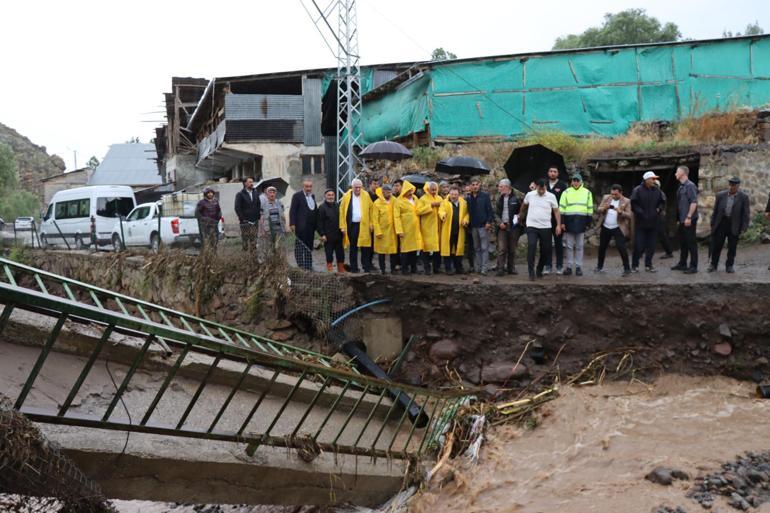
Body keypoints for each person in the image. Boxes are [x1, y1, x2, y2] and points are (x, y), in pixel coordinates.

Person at [519, 179, 562, 281]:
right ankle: (531, 272)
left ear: (545, 187)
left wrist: (558, 225)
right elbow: (524, 206)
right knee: (532, 245)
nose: (541, 191)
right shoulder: (530, 195)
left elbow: (556, 211)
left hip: (546, 226)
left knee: (546, 250)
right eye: (539, 189)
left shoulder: (551, 196)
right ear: (536, 186)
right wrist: (520, 216)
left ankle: (539, 269)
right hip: (532, 225)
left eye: (543, 189)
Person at [708, 177, 750, 273]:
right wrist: (713, 223)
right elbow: (715, 211)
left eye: (734, 186)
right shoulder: (720, 195)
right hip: (721, 223)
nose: (732, 187)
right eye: (730, 185)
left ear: (738, 186)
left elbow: (746, 213)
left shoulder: (743, 197)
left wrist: (744, 227)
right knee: (717, 245)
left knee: (732, 247)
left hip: (734, 224)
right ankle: (713, 265)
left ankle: (729, 266)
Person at [559, 174, 594, 276]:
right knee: (569, 246)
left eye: (577, 180)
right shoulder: (566, 192)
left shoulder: (587, 193)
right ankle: (569, 267)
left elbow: (590, 209)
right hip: (569, 221)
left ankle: (578, 267)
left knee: (579, 246)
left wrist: (588, 222)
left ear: (581, 181)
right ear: (571, 182)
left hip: (581, 221)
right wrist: (562, 222)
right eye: (574, 180)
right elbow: (562, 208)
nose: (575, 182)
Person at [630, 171, 665, 272]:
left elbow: (662, 202)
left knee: (652, 246)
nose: (655, 181)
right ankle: (634, 265)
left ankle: (648, 265)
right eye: (653, 179)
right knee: (639, 246)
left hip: (654, 223)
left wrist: (659, 208)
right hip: (641, 223)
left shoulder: (657, 190)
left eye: (655, 179)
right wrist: (641, 212)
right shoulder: (637, 190)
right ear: (647, 180)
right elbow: (633, 204)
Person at [595, 184, 633, 276]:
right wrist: (604, 208)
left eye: (615, 194)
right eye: (612, 194)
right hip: (606, 226)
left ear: (621, 193)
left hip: (618, 227)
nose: (613, 196)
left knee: (621, 247)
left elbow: (629, 215)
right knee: (602, 247)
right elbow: (598, 209)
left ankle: (627, 268)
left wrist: (621, 212)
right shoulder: (606, 197)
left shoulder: (627, 201)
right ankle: (599, 267)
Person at [339, 178, 374, 273]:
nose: (358, 189)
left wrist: (371, 223)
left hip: (364, 225)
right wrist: (342, 226)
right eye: (356, 187)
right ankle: (354, 268)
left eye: (359, 187)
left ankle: (366, 267)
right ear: (352, 187)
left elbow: (372, 209)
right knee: (353, 247)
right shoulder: (346, 196)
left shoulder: (366, 195)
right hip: (352, 226)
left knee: (365, 248)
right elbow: (342, 212)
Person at [671, 165, 699, 274]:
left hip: (689, 219)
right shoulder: (681, 187)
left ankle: (693, 266)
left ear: (683, 173)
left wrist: (689, 217)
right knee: (683, 242)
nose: (675, 174)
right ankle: (682, 264)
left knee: (691, 242)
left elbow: (693, 202)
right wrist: (680, 219)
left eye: (677, 172)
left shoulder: (690, 186)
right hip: (683, 220)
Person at [466, 177, 494, 275]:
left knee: (484, 248)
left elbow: (490, 210)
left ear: (480, 185)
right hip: (473, 226)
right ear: (470, 186)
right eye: (473, 185)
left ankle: (484, 268)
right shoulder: (468, 197)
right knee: (476, 248)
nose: (475, 186)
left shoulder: (485, 196)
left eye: (476, 184)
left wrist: (488, 222)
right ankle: (478, 267)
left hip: (483, 226)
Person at [438, 186, 469, 274]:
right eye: (452, 194)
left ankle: (458, 268)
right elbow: (441, 211)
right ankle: (448, 269)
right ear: (449, 194)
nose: (453, 196)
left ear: (458, 195)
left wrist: (465, 220)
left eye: (455, 194)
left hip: (459, 230)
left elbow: (467, 214)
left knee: (458, 250)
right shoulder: (445, 202)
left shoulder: (463, 203)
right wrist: (443, 215)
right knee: (447, 250)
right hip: (448, 231)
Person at [393, 180, 421, 274]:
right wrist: (399, 230)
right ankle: (404, 269)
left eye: (411, 190)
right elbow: (396, 217)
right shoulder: (398, 201)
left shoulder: (415, 199)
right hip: (405, 229)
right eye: (409, 191)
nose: (410, 193)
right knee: (405, 250)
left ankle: (414, 268)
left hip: (415, 228)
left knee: (414, 249)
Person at [494, 178, 521, 276]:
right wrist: (499, 222)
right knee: (502, 248)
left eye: (501, 187)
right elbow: (495, 214)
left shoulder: (516, 198)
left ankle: (511, 268)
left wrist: (519, 216)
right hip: (502, 226)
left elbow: (522, 210)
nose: (499, 188)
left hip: (514, 227)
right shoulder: (499, 199)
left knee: (512, 249)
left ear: (507, 187)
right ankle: (500, 269)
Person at [289, 178, 317, 270]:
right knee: (300, 247)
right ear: (303, 186)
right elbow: (292, 210)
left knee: (309, 246)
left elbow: (314, 210)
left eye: (310, 186)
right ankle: (301, 266)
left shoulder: (312, 196)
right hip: (301, 226)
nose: (308, 188)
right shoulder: (297, 196)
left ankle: (308, 265)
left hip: (310, 227)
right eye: (306, 186)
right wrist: (292, 223)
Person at [371, 184, 399, 274]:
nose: (389, 193)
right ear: (383, 192)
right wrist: (377, 231)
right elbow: (374, 219)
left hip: (392, 231)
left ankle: (393, 269)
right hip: (382, 231)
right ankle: (383, 269)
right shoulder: (377, 203)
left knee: (393, 251)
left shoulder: (395, 201)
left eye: (390, 191)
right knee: (381, 252)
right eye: (387, 192)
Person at [417, 181, 443, 275]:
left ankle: (436, 268)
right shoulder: (423, 199)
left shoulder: (439, 198)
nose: (434, 192)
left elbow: (443, 209)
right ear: (428, 189)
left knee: (437, 249)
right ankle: (427, 268)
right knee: (425, 249)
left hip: (437, 228)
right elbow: (418, 211)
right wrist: (430, 206)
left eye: (435, 190)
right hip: (426, 228)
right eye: (432, 190)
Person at [546, 166, 568, 274]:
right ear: (548, 173)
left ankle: (559, 266)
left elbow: (565, 204)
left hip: (557, 218)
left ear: (558, 173)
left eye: (555, 171)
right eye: (551, 171)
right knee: (546, 243)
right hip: (545, 218)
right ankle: (548, 266)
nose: (552, 173)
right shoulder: (543, 184)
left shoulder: (563, 185)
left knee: (558, 243)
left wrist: (562, 222)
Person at [316, 189, 344, 273]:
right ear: (325, 196)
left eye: (332, 195)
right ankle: (330, 272)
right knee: (329, 255)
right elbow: (319, 222)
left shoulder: (338, 205)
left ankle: (341, 272)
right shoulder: (322, 207)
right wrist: (322, 234)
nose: (331, 196)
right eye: (329, 195)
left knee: (340, 255)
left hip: (338, 236)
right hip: (328, 237)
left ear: (334, 196)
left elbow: (342, 219)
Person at [234, 177, 261, 252]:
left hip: (255, 220)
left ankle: (253, 258)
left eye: (252, 182)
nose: (252, 183)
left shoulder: (255, 192)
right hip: (245, 221)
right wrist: (242, 219)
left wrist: (258, 215)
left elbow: (258, 204)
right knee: (245, 241)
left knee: (254, 240)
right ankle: (245, 259)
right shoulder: (240, 194)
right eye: (250, 182)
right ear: (245, 183)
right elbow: (237, 208)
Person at [655, 180, 675, 259]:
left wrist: (658, 209)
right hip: (654, 216)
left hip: (659, 216)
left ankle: (669, 252)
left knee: (662, 235)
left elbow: (662, 203)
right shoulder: (654, 193)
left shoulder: (660, 193)